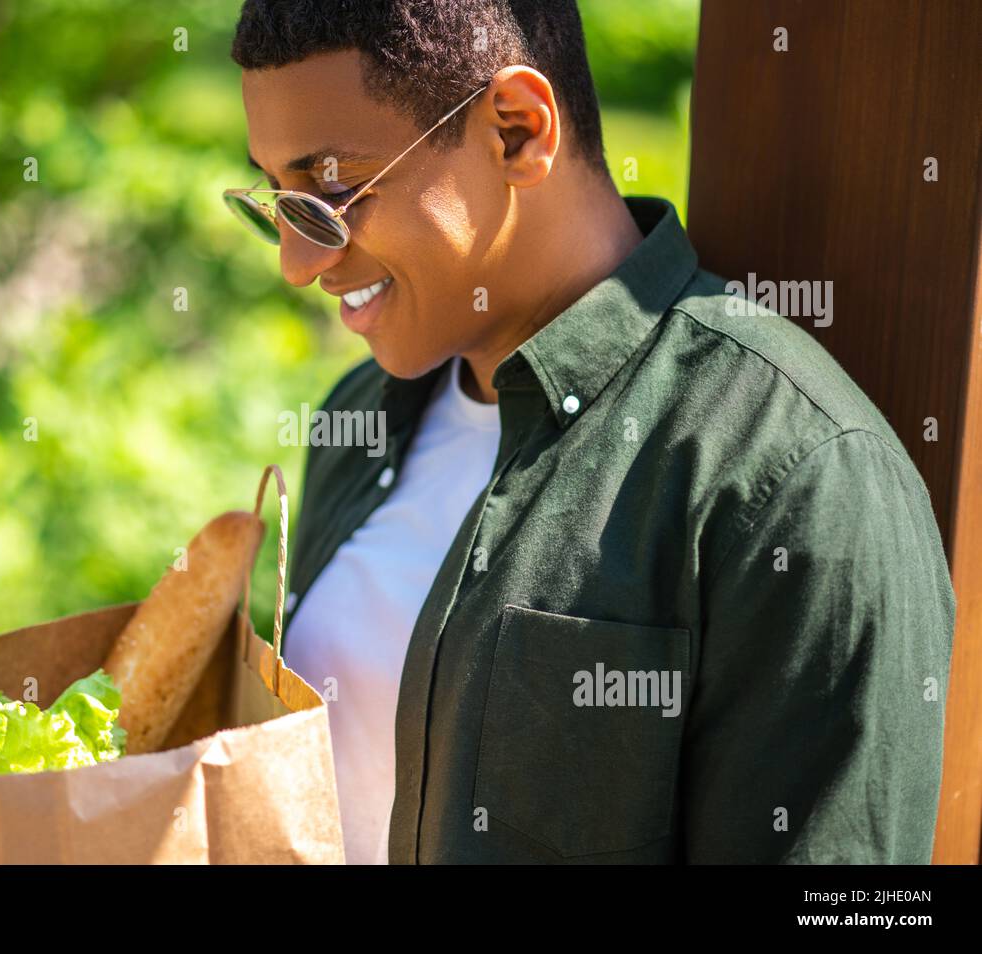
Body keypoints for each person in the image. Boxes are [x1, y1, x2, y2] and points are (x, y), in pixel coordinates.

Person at [223, 0, 956, 864]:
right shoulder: (360, 416)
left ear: (516, 133)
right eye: (277, 199)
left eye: (333, 191)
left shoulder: (794, 466)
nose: (297, 262)